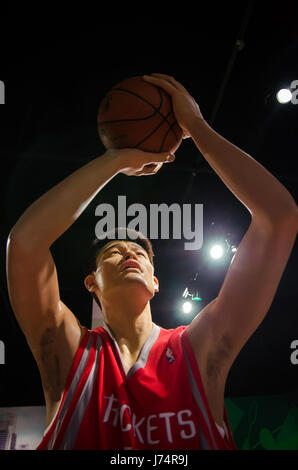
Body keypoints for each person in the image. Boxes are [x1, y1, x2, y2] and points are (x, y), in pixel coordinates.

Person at [6, 74, 297, 450]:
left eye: (140, 253)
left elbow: (280, 217)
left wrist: (196, 126)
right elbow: (25, 244)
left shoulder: (199, 348)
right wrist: (115, 160)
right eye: (114, 252)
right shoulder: (68, 352)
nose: (129, 253)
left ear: (155, 283)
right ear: (91, 283)